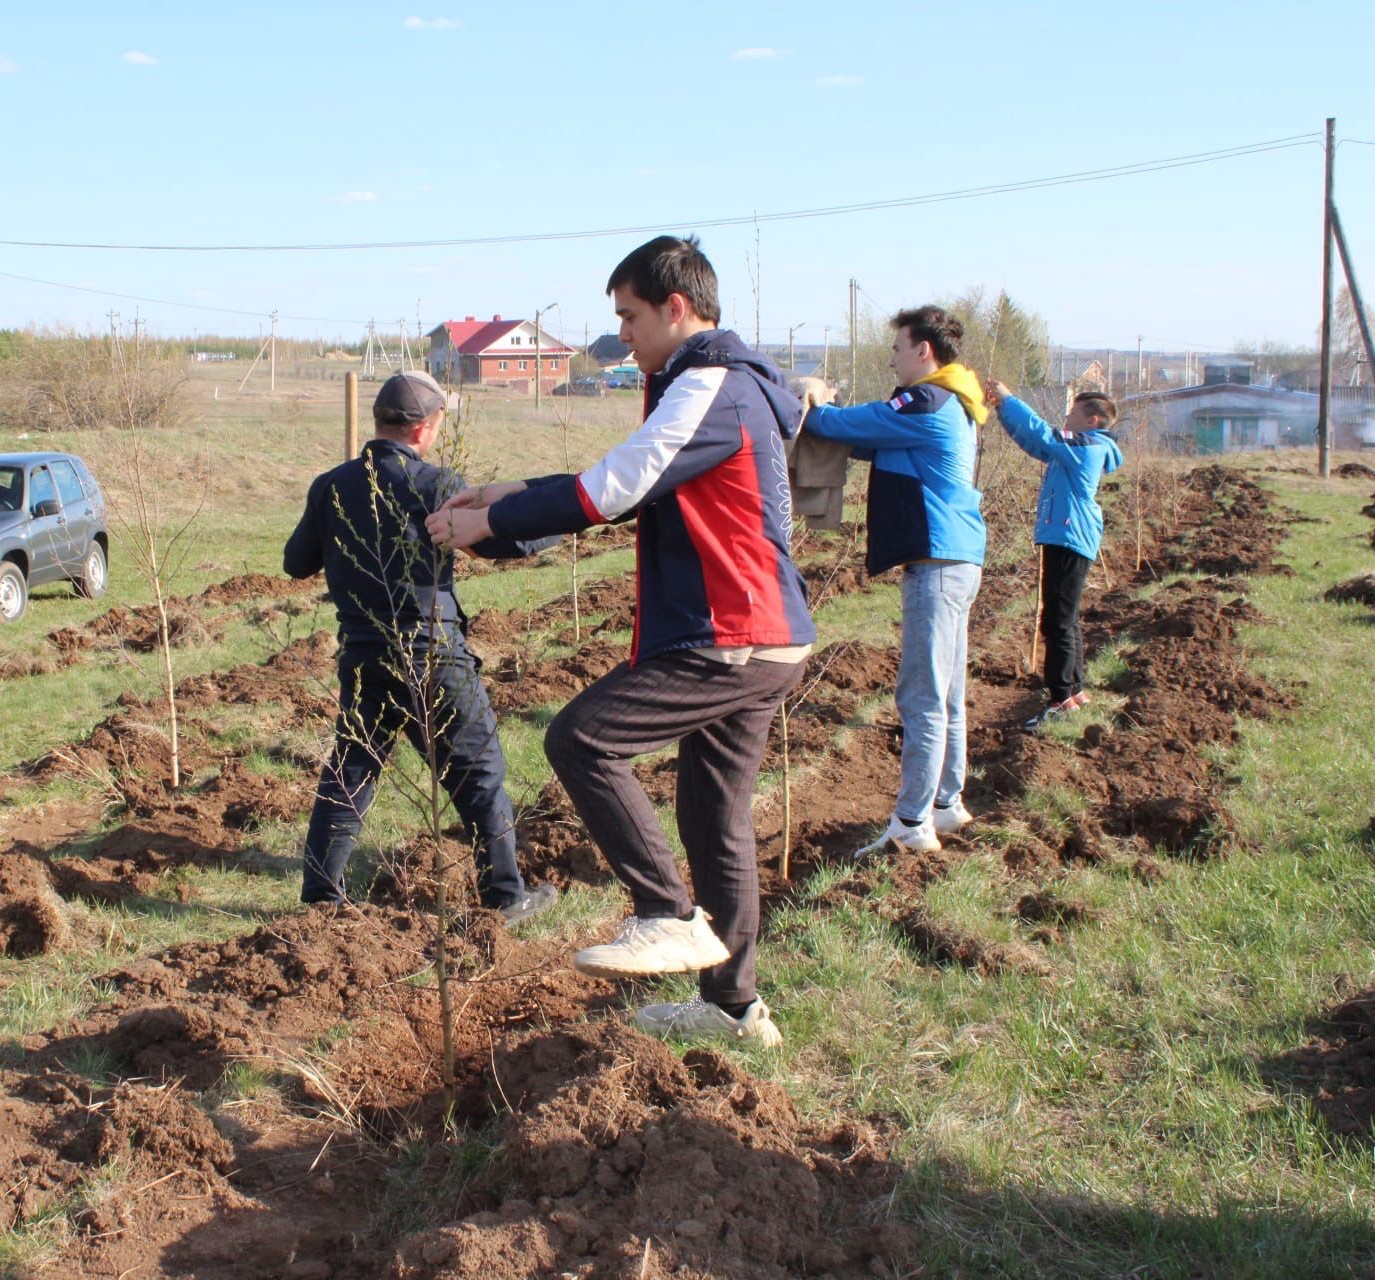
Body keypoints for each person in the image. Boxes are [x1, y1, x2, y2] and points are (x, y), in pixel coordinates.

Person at [429, 235, 812, 1049]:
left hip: (731, 635)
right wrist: (511, 494)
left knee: (583, 738)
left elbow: (619, 486)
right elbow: (636, 476)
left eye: (630, 316)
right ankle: (736, 1010)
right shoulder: (709, 385)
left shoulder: (712, 385)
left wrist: (492, 523)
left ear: (677, 309)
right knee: (715, 817)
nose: (623, 333)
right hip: (758, 633)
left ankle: (665, 914)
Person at [283, 369, 560, 925]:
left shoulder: (330, 486)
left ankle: (320, 899)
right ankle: (506, 897)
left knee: (351, 769)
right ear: (425, 427)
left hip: (363, 657)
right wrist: (562, 518)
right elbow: (506, 544)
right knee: (479, 769)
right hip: (433, 655)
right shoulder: (435, 484)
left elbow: (295, 563)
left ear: (382, 421)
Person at [799, 305, 988, 858]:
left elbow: (847, 425)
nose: (891, 356)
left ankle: (911, 822)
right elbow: (869, 440)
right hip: (958, 560)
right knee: (948, 692)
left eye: (898, 347)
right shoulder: (955, 399)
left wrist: (812, 405)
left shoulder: (926, 398)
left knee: (921, 696)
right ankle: (947, 803)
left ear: (923, 350)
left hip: (936, 563)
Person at [984, 379, 1123, 728]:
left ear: (1092, 420)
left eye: (1074, 412)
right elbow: (1036, 443)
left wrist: (1009, 397)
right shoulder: (1080, 446)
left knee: (1058, 621)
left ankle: (1060, 699)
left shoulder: (1087, 446)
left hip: (1069, 536)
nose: (1067, 416)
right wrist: (1003, 411)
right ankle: (1074, 692)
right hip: (1067, 534)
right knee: (1065, 617)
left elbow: (1044, 434)